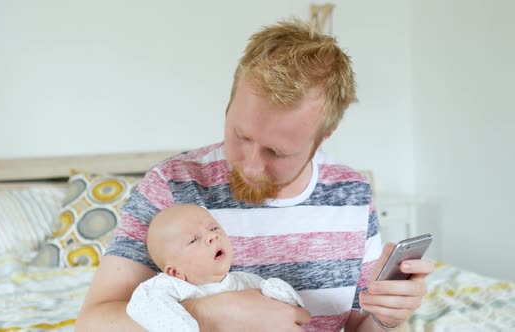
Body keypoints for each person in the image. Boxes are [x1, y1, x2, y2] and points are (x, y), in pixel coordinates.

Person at [77, 18, 434, 332]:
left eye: (277, 152)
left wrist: (390, 317)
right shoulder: (171, 187)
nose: (249, 165)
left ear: (324, 136)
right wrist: (210, 317)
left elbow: (361, 329)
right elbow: (92, 325)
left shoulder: (352, 194)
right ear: (229, 103)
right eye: (241, 136)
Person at [126, 204, 305, 332]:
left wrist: (279, 292)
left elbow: (288, 306)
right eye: (193, 240)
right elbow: (142, 304)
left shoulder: (244, 280)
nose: (212, 236)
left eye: (213, 228)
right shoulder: (170, 286)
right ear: (175, 272)